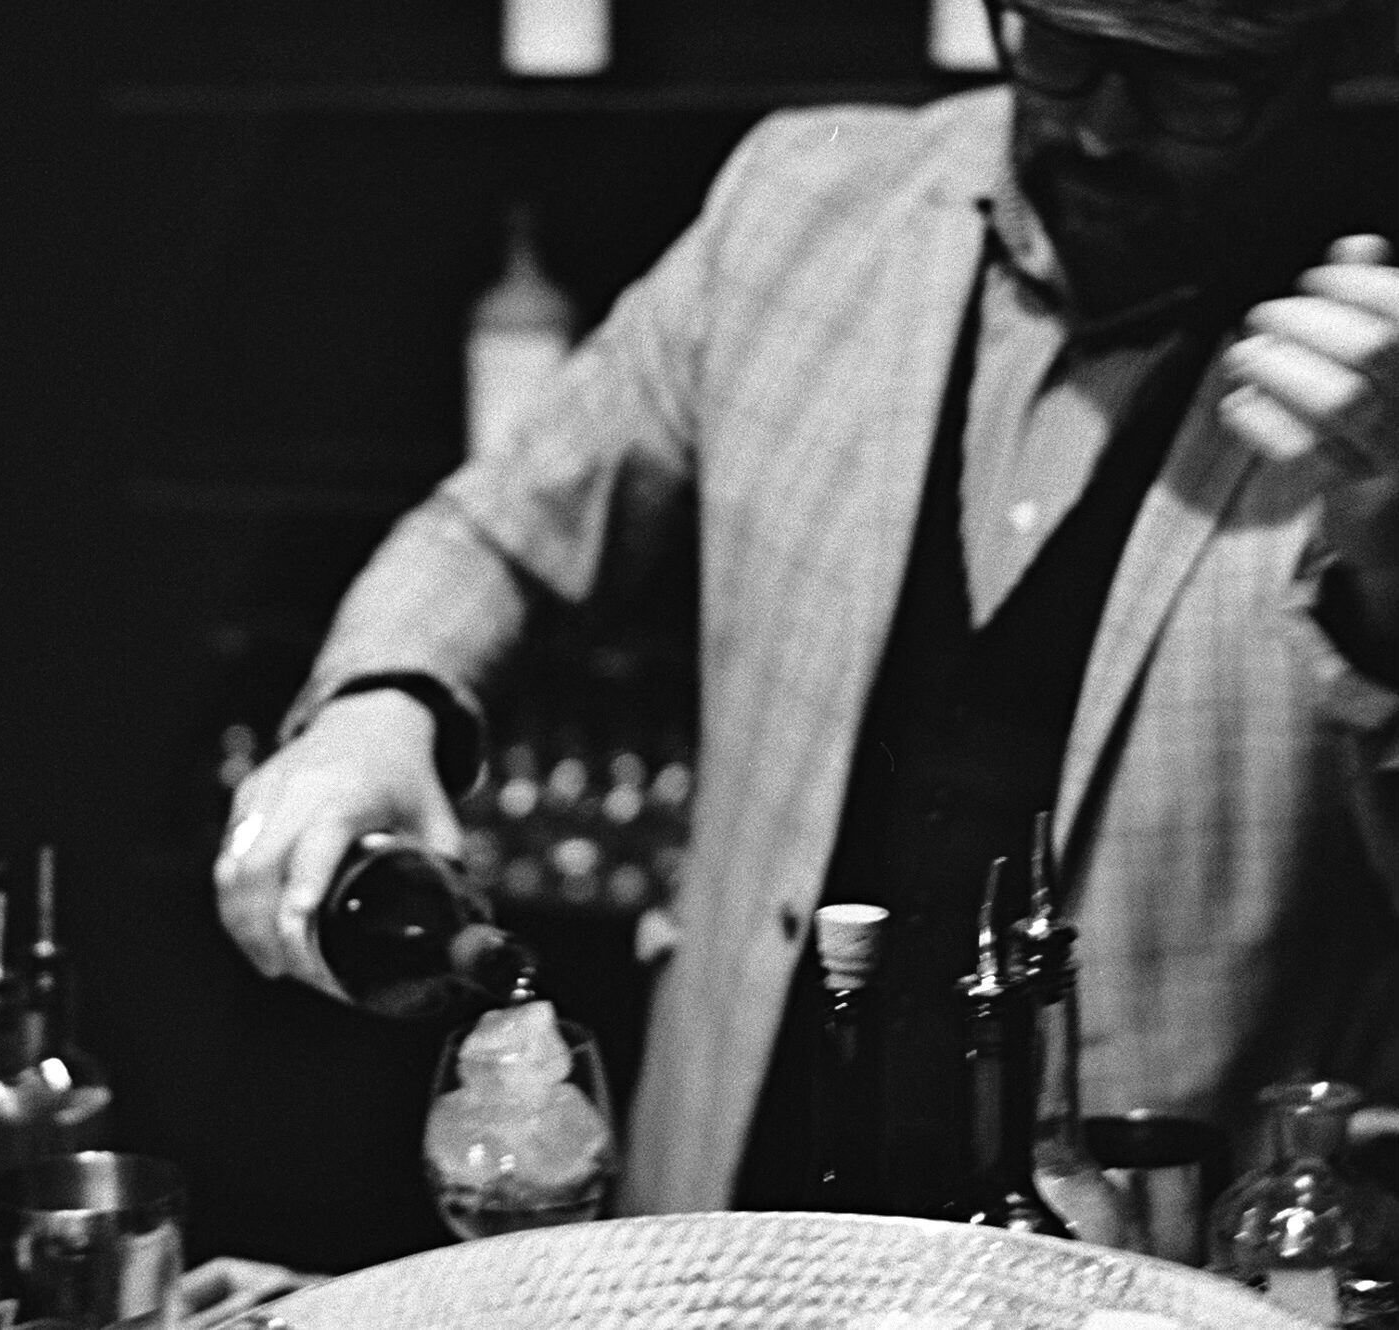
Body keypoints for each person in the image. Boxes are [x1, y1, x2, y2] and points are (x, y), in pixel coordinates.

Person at [213, 0, 1399, 1229]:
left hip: (1136, 1262)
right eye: (1057, 46)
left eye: (1191, 85)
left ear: (1337, 59)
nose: (1101, 127)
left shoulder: (1386, 358)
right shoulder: (799, 204)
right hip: (730, 1215)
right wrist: (380, 702)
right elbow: (506, 524)